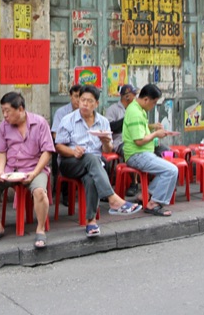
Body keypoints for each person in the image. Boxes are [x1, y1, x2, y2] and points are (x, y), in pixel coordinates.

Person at [55, 85, 140, 237]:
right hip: (70, 162)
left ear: (96, 104)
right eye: (82, 100)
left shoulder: (102, 122)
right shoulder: (68, 120)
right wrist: (73, 151)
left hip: (92, 164)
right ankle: (113, 199)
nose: (85, 104)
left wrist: (106, 141)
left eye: (89, 101)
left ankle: (91, 222)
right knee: (91, 158)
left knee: (90, 177)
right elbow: (59, 147)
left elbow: (107, 151)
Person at [0, 92, 54, 248]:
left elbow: (47, 152)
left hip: (34, 169)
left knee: (40, 192)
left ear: (20, 109)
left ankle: (40, 229)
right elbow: (1, 151)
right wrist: (0, 170)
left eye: (8, 111)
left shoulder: (40, 123)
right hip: (10, 169)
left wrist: (34, 173)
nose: (5, 115)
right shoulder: (4, 126)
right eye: (3, 111)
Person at [122, 84, 177, 217]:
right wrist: (156, 134)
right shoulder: (135, 112)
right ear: (146, 99)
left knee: (169, 169)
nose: (153, 106)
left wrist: (154, 130)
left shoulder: (138, 109)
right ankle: (154, 203)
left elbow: (141, 130)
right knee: (171, 170)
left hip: (142, 153)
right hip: (137, 155)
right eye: (154, 102)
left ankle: (144, 196)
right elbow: (139, 141)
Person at [105, 84, 136, 156]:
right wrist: (126, 119)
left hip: (135, 141)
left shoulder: (134, 109)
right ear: (127, 96)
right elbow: (109, 127)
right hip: (119, 142)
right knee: (133, 153)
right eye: (134, 95)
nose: (135, 97)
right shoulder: (113, 109)